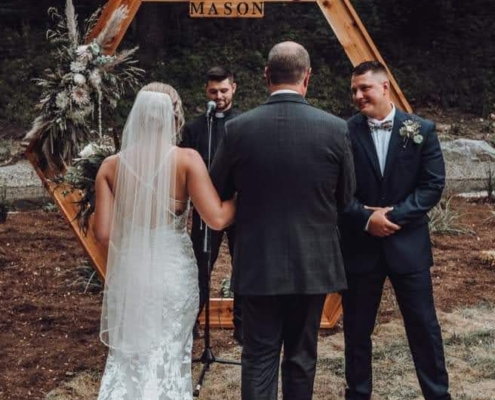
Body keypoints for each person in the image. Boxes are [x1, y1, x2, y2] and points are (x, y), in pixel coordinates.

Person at [211, 42, 355, 400]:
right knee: (302, 356)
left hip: (259, 261)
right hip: (313, 262)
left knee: (258, 355)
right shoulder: (336, 129)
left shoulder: (238, 130)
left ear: (265, 76)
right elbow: (346, 197)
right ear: (307, 77)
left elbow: (217, 190)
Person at [93, 82, 236, 400]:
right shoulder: (186, 160)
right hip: (173, 273)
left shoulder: (110, 167)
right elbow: (217, 218)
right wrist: (241, 197)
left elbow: (102, 234)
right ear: (175, 117)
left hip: (131, 271)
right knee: (170, 354)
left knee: (130, 355)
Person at [339, 61, 451, 400]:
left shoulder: (421, 129)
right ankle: (357, 394)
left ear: (385, 87)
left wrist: (394, 216)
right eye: (354, 90)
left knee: (424, 327)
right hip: (360, 247)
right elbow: (337, 190)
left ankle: (437, 394)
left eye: (364, 88)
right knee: (357, 331)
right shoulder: (343, 132)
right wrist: (364, 218)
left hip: (408, 248)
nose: (358, 95)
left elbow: (432, 185)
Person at [180, 66, 243, 343]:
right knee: (200, 265)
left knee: (243, 264)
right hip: (206, 209)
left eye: (224, 90)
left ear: (234, 88)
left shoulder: (243, 124)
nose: (218, 96)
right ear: (206, 92)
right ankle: (193, 320)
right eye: (213, 91)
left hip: (239, 206)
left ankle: (242, 323)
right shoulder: (194, 128)